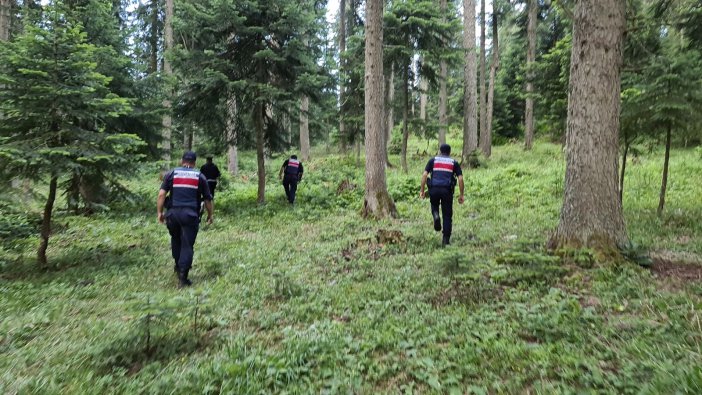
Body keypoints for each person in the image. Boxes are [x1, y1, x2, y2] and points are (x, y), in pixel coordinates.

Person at [157, 151, 213, 287]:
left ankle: (177, 265)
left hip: (173, 214)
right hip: (190, 215)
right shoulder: (199, 176)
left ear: (182, 161)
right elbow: (207, 199)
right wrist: (210, 215)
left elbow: (161, 194)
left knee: (176, 239)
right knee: (187, 244)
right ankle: (183, 277)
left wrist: (159, 212)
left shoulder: (171, 173)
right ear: (194, 162)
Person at [420, 144, 465, 246]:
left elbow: (424, 175)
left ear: (440, 151)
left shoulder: (433, 160)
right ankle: (446, 240)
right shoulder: (454, 162)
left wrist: (422, 190)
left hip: (434, 189)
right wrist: (461, 194)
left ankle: (435, 215)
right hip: (447, 191)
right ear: (449, 152)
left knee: (434, 205)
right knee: (447, 215)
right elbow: (460, 179)